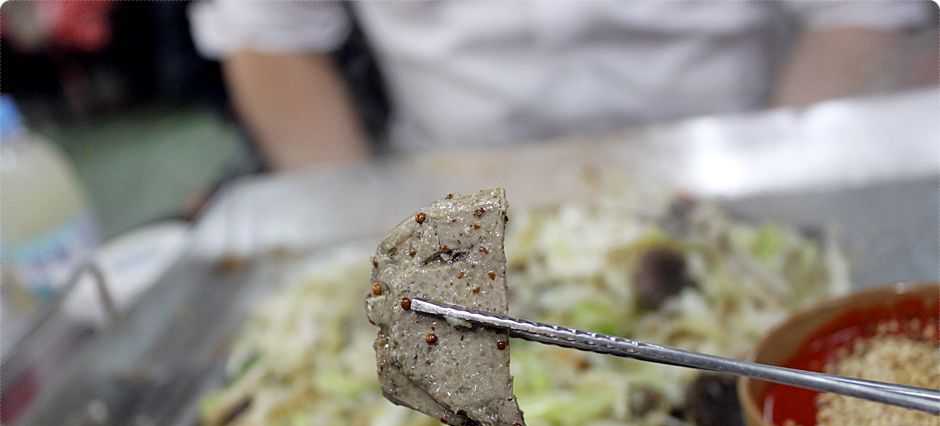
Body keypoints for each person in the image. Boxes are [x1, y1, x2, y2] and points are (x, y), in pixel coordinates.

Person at [189, 1, 936, 171]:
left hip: (734, 151)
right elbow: (267, 31)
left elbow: (860, 13)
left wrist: (787, 181)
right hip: (446, 181)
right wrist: (363, 252)